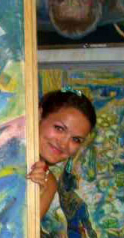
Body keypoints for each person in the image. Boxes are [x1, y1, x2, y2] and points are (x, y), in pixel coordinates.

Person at [26, 88, 97, 218]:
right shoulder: (3, 148)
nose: (63, 144)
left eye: (76, 139)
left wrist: (33, 196)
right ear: (39, 115)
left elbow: (22, 230)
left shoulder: (48, 183)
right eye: (59, 128)